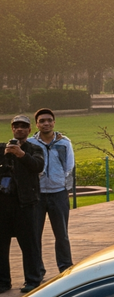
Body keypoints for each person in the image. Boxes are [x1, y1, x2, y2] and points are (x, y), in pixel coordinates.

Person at [0, 115, 45, 292]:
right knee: (1, 244)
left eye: (23, 126)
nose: (19, 129)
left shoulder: (34, 148)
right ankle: (3, 281)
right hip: (3, 204)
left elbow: (38, 166)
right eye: (16, 126)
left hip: (26, 203)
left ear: (28, 130)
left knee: (29, 243)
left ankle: (32, 280)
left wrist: (21, 155)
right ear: (12, 128)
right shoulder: (2, 149)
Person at [28, 108, 73, 274]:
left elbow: (69, 167)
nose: (46, 123)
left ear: (54, 122)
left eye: (49, 120)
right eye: (42, 121)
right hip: (37, 195)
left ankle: (65, 268)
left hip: (58, 193)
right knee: (34, 235)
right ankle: (37, 270)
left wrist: (64, 188)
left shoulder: (64, 142)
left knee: (61, 234)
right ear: (37, 124)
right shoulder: (31, 144)